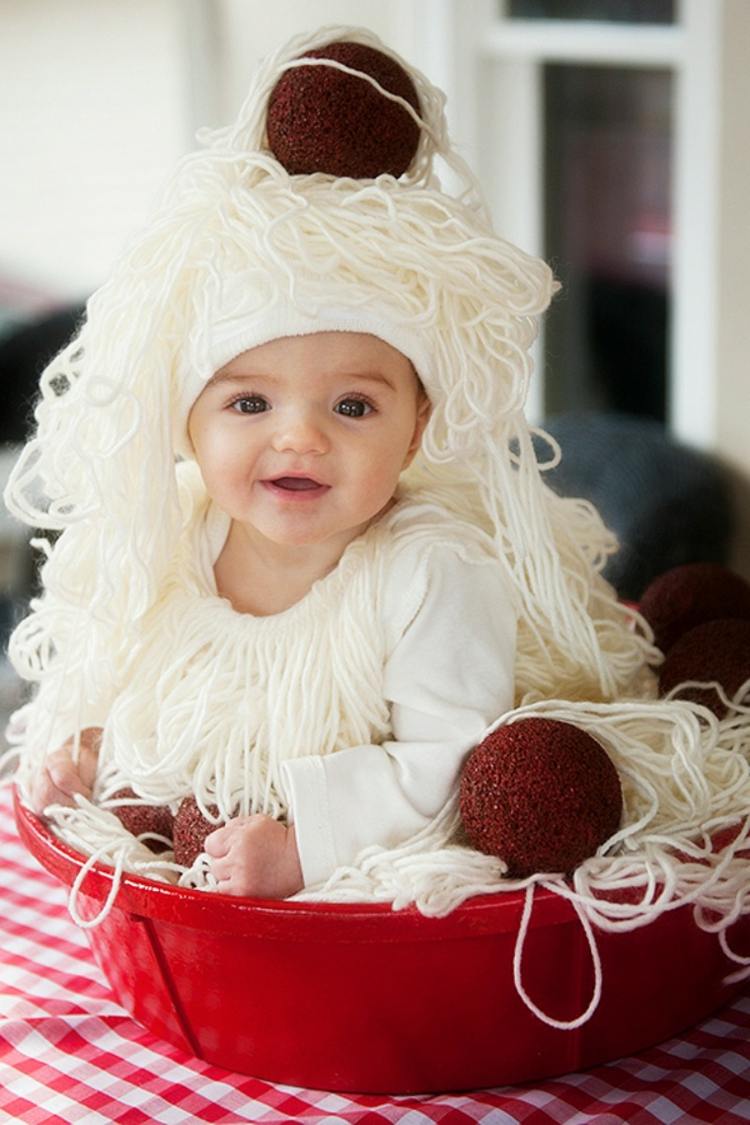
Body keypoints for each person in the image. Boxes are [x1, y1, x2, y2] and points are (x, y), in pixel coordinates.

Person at [4, 27, 747, 929]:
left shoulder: (431, 572)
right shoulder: (180, 536)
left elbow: (451, 762)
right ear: (184, 423)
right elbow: (167, 693)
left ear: (416, 430)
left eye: (353, 407)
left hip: (358, 908)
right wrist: (98, 750)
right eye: (248, 405)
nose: (301, 437)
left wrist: (305, 845)